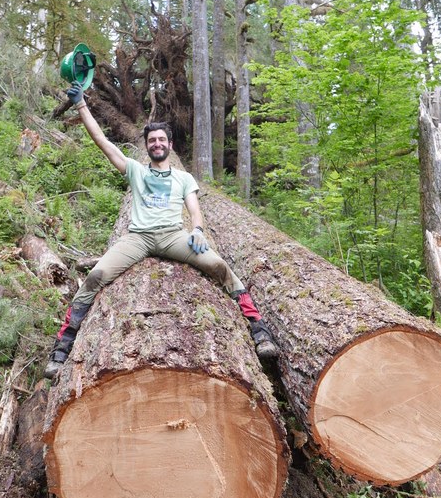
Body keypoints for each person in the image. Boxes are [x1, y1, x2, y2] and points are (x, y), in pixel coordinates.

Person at [44, 81, 278, 379]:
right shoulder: (136, 171)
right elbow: (103, 141)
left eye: (161, 140)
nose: (156, 143)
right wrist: (81, 105)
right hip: (137, 239)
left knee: (219, 266)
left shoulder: (182, 178)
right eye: (152, 140)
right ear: (147, 145)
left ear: (170, 144)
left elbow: (194, 208)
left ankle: (258, 330)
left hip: (174, 237)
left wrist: (198, 230)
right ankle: (62, 347)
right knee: (95, 276)